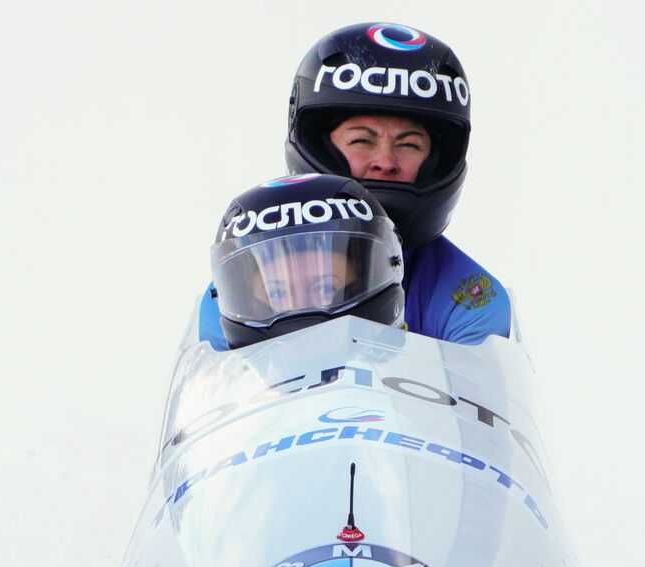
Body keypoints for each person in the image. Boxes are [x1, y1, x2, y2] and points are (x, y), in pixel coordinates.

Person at [198, 22, 510, 350]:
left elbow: (482, 396)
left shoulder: (470, 295)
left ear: (436, 159)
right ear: (320, 146)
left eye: (409, 144)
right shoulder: (244, 280)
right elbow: (225, 389)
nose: (385, 161)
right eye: (362, 140)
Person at [209, 174, 405, 349]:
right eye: (278, 292)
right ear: (248, 300)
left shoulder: (427, 366)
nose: (300, 307)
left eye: (325, 288)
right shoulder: (217, 382)